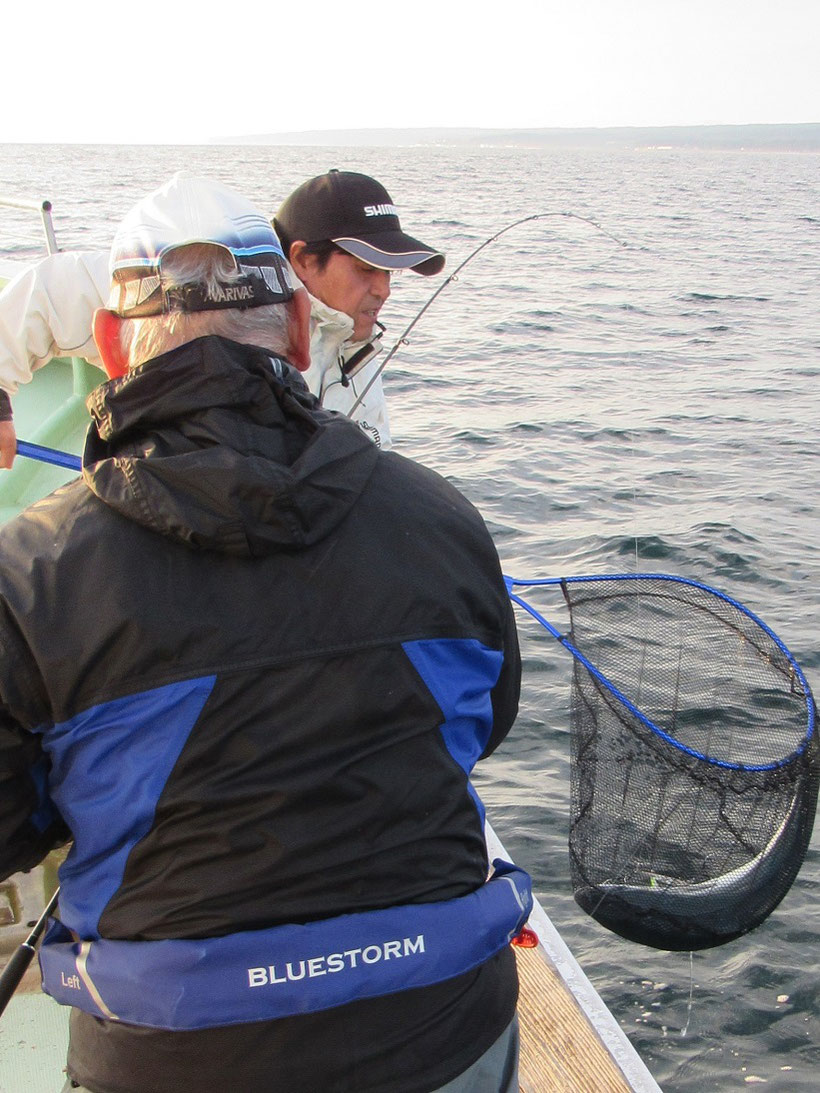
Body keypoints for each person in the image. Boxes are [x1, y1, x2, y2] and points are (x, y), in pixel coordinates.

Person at [0, 173, 526, 1093]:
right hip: (448, 1029)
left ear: (114, 345)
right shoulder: (445, 517)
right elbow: (483, 724)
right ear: (293, 330)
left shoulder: (27, 569)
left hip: (170, 1057)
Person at [0, 170, 444, 466]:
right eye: (366, 268)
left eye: (389, 272)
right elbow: (47, 289)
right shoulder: (186, 280)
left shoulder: (356, 342)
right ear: (303, 260)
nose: (383, 289)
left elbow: (373, 454)